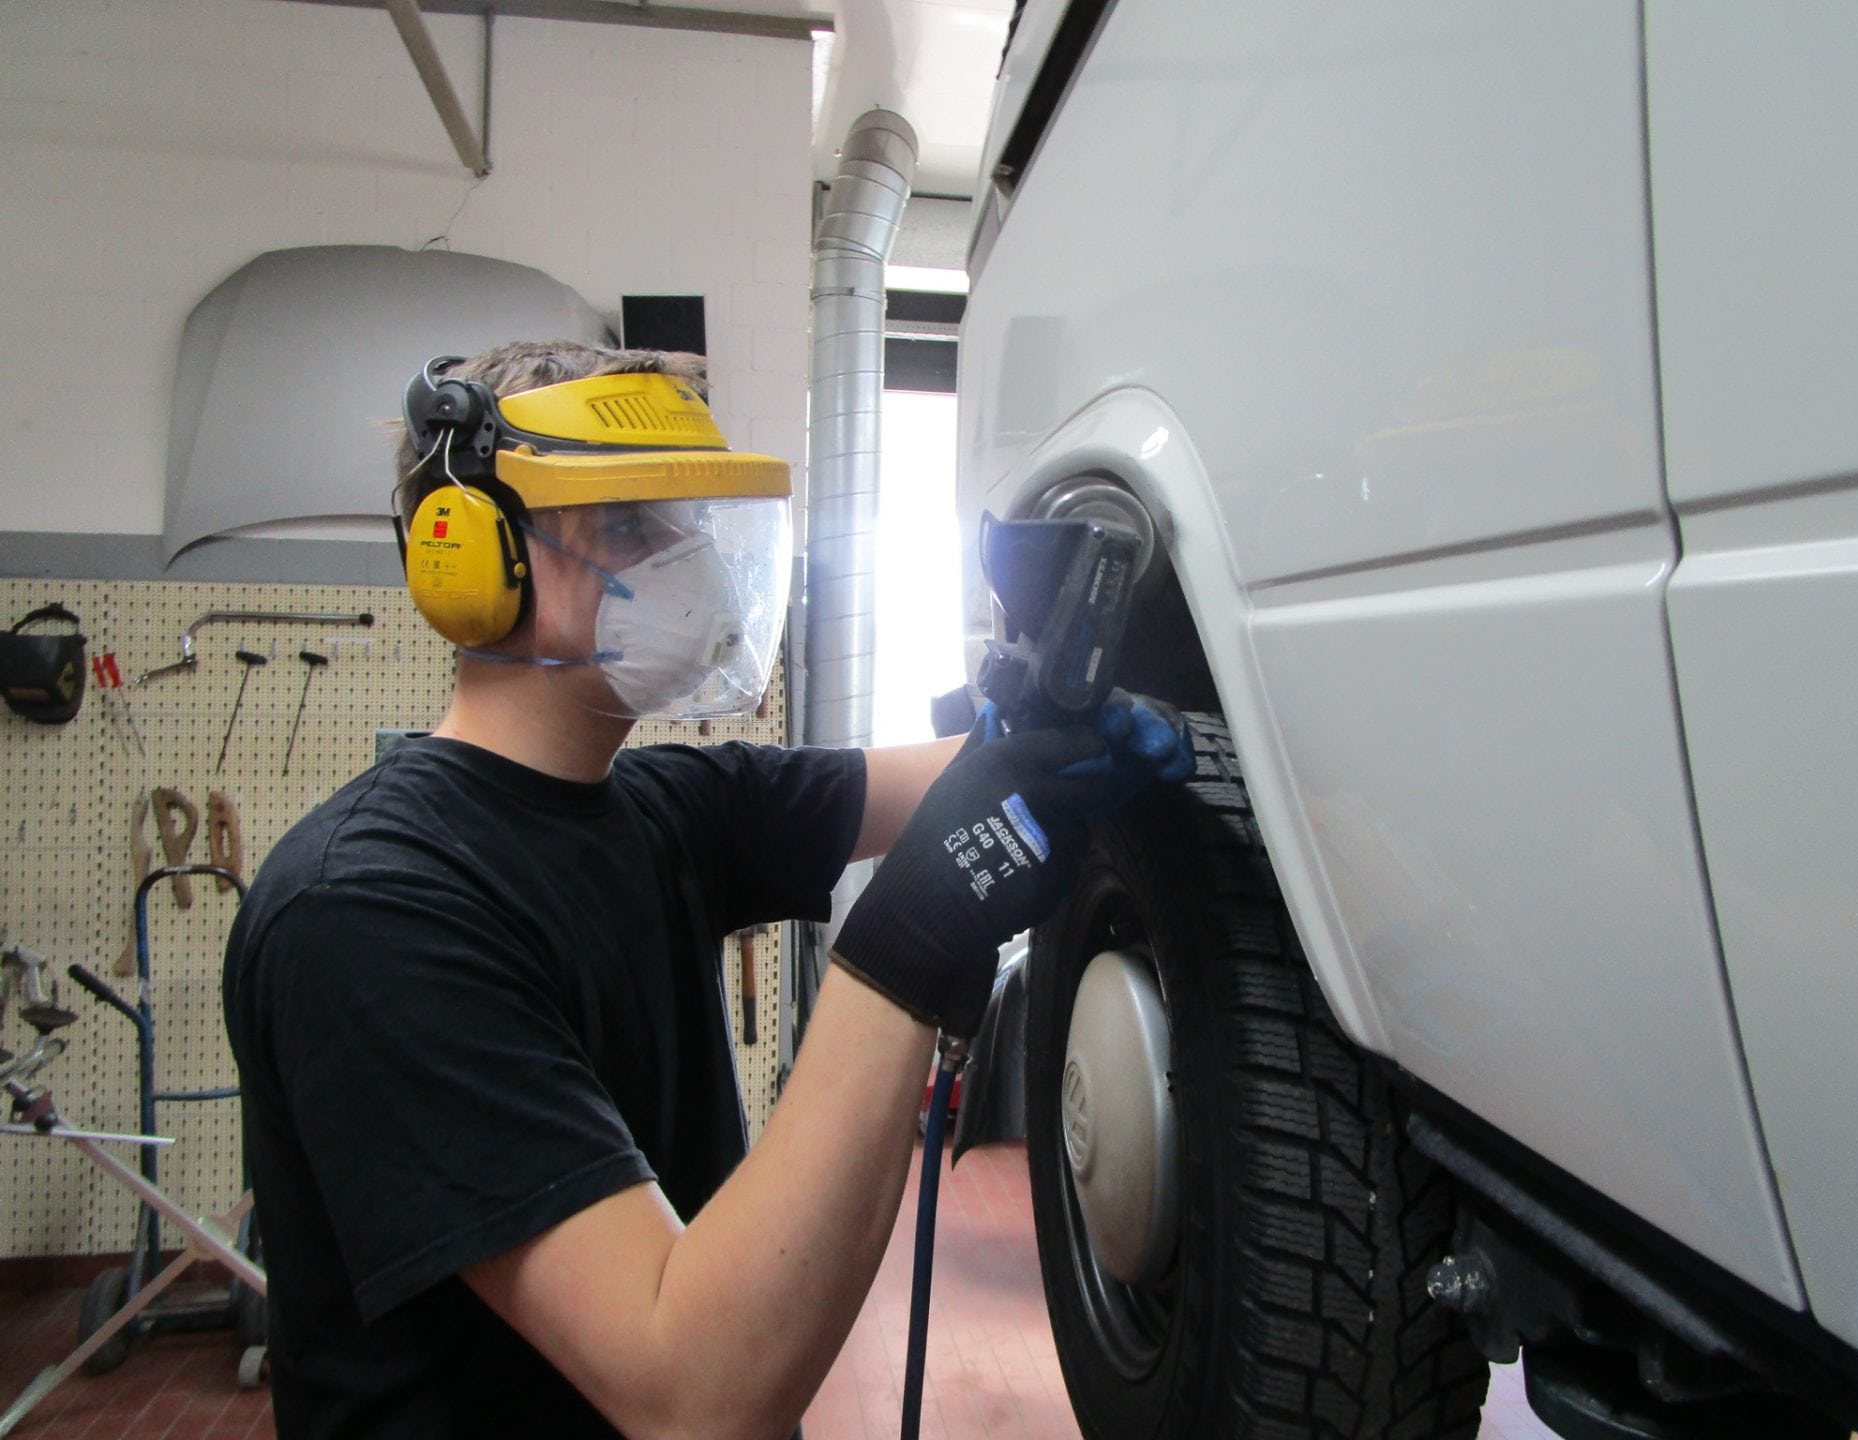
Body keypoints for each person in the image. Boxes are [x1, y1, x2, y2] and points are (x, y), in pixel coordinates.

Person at [222, 339, 1192, 1440]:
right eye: (634, 525)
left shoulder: (666, 806)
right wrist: (911, 937)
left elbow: (957, 776)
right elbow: (692, 1394)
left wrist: (1059, 716)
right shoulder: (372, 911)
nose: (692, 562)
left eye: (693, 522)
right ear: (473, 560)